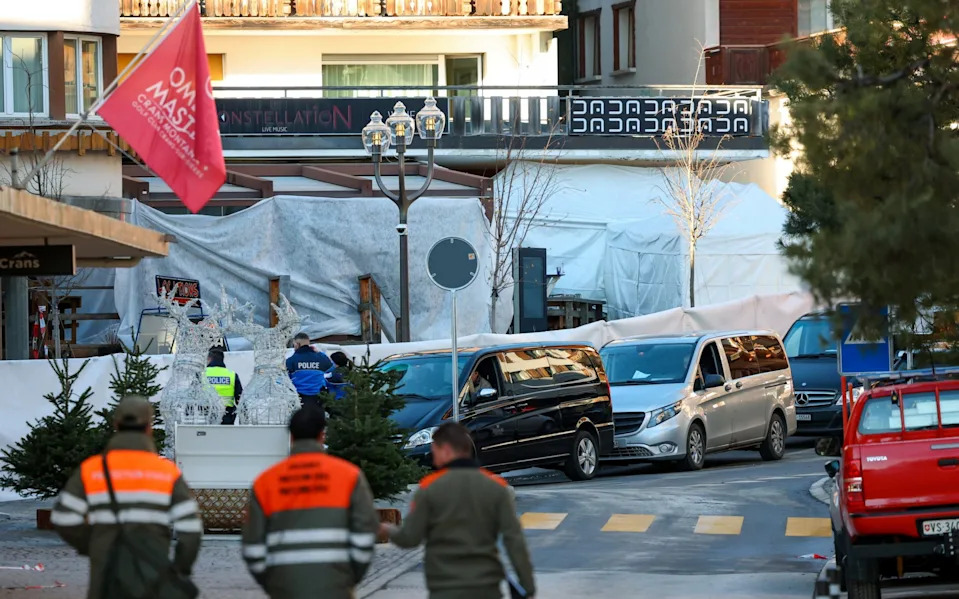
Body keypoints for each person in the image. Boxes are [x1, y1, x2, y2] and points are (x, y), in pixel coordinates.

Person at [51, 395, 203, 599]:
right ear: (149, 427)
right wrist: (180, 568)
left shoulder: (92, 469)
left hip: (105, 581)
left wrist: (95, 545)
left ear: (116, 425)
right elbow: (191, 529)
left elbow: (63, 518)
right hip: (153, 579)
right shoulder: (167, 472)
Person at [382, 422, 536, 599]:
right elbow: (514, 540)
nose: (433, 457)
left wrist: (387, 529)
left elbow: (410, 538)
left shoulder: (429, 488)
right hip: (486, 587)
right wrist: (527, 587)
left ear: (447, 450)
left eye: (435, 450)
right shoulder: (496, 487)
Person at [242, 406, 378, 599]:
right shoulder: (349, 476)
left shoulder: (265, 482)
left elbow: (253, 545)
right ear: (322, 435)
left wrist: (273, 583)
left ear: (291, 437)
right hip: (336, 585)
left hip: (284, 587)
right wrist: (349, 577)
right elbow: (365, 532)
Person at [286, 332, 333, 408]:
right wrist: (319, 353)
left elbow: (285, 378)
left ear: (297, 344)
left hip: (299, 397)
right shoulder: (320, 358)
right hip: (318, 396)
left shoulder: (292, 360)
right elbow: (331, 367)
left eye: (294, 345)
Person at [206, 346, 243, 424]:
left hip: (206, 415)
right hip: (227, 416)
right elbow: (240, 399)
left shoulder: (202, 374)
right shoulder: (232, 375)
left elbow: (193, 396)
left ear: (209, 359)